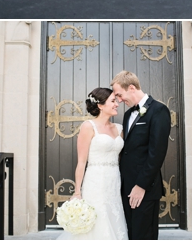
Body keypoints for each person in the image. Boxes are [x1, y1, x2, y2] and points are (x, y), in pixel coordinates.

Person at [111, 72, 171, 241]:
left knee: (143, 235)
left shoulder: (159, 111)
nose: (119, 100)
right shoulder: (128, 115)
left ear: (131, 88)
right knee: (129, 234)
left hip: (144, 188)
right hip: (125, 186)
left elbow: (157, 153)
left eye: (119, 95)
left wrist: (141, 185)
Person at [68, 87, 127, 240]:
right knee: (98, 221)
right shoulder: (88, 126)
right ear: (100, 105)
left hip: (114, 181)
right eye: (113, 101)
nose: (117, 104)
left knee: (114, 216)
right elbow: (81, 162)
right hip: (96, 181)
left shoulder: (119, 129)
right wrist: (77, 192)